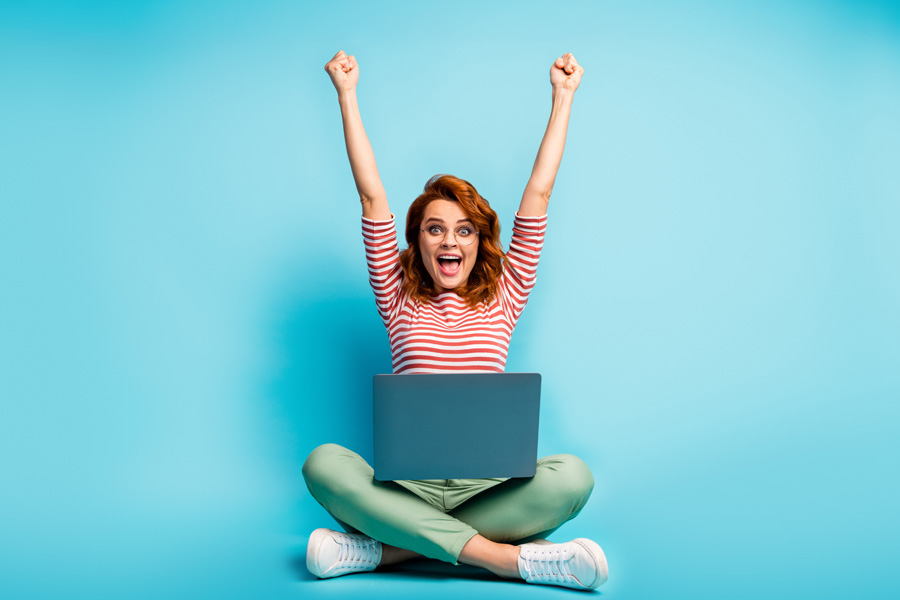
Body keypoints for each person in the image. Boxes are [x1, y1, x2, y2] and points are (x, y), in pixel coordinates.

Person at [302, 49, 608, 591]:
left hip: (489, 489)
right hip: (405, 490)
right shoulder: (396, 294)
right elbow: (372, 194)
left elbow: (539, 194)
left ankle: (381, 552)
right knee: (324, 463)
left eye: (465, 230)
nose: (450, 240)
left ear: (479, 241)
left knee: (574, 478)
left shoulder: (507, 293)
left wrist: (563, 98)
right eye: (435, 229)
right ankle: (511, 560)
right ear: (416, 241)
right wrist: (347, 96)